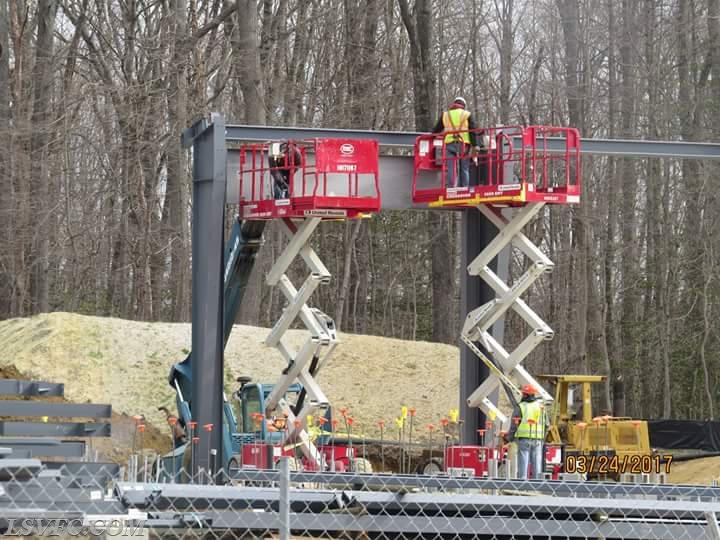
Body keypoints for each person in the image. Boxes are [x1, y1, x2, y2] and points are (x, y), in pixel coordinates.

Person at [431, 97, 482, 188]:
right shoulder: (467, 114)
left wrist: (432, 136)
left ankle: (451, 187)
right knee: (464, 168)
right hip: (463, 145)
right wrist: (476, 145)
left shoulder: (445, 115)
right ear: (464, 106)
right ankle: (464, 187)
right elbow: (473, 131)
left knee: (451, 167)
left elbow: (436, 129)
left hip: (450, 144)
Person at [505, 384, 549, 480]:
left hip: (524, 439)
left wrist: (509, 438)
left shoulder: (521, 407)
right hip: (538, 440)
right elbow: (547, 425)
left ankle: (523, 486)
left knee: (523, 464)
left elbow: (514, 425)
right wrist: (542, 438)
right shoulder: (541, 407)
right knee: (537, 465)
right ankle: (536, 487)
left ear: (525, 395)